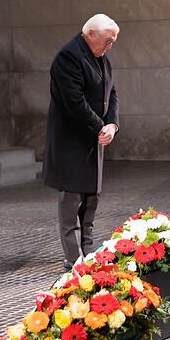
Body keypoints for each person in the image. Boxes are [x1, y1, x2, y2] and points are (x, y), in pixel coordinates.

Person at [44, 14, 120, 267]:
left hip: (93, 139)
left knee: (91, 200)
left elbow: (112, 93)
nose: (110, 46)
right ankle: (74, 259)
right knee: (72, 203)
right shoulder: (69, 57)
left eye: (113, 42)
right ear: (90, 34)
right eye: (108, 41)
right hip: (72, 142)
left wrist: (112, 124)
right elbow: (74, 102)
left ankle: (89, 252)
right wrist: (100, 126)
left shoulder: (101, 57)